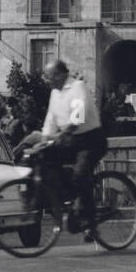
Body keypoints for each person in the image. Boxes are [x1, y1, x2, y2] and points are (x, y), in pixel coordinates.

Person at [24, 60, 107, 240]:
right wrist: (44, 140)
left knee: (80, 175)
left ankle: (90, 224)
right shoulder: (55, 93)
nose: (47, 80)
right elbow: (51, 119)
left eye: (50, 76)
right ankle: (64, 200)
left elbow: (78, 116)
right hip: (69, 139)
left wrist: (64, 133)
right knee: (44, 160)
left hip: (90, 139)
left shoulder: (77, 87)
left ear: (61, 75)